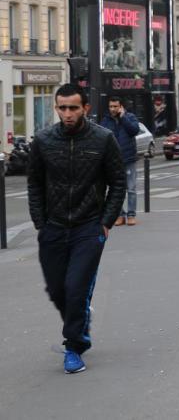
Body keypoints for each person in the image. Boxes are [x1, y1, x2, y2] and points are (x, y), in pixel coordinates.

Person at [27, 84, 127, 374]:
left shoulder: (103, 139)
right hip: (53, 227)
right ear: (56, 108)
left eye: (73, 108)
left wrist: (106, 221)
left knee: (75, 288)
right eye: (62, 108)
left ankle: (74, 346)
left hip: (88, 226)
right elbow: (34, 183)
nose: (67, 113)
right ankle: (79, 315)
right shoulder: (43, 140)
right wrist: (40, 223)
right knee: (57, 290)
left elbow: (117, 182)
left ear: (85, 108)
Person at [98, 97, 141, 226]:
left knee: (131, 188)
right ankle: (120, 215)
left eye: (115, 106)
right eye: (111, 106)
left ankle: (131, 214)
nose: (112, 109)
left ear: (121, 106)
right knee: (115, 189)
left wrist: (123, 118)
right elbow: (101, 137)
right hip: (112, 160)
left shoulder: (130, 117)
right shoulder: (105, 120)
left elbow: (134, 130)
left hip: (128, 158)